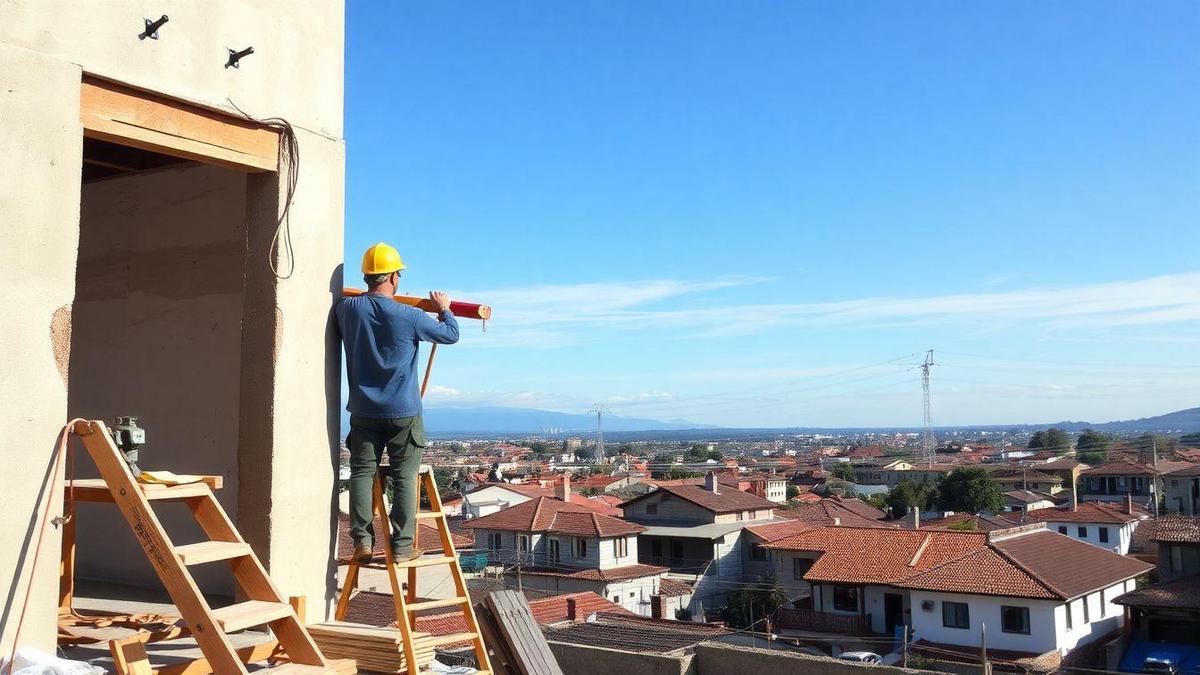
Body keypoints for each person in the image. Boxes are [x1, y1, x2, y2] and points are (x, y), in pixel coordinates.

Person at [336, 242, 460, 563]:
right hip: (403, 411)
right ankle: (403, 546)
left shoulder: (347, 310)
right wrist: (444, 308)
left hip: (363, 410)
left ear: (367, 276)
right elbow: (450, 335)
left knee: (362, 473)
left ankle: (362, 542)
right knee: (405, 476)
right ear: (393, 277)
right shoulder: (410, 316)